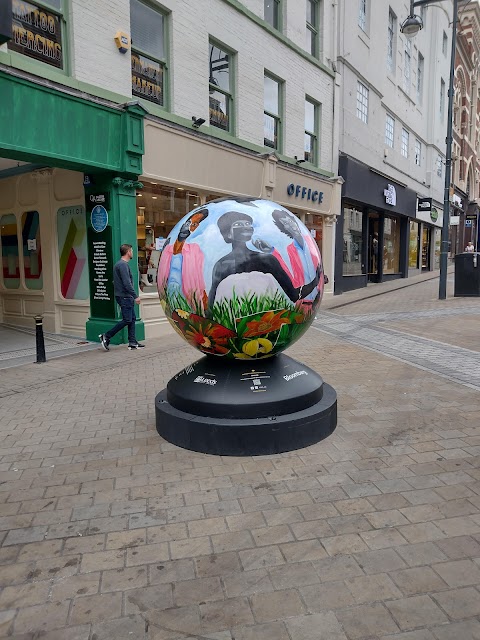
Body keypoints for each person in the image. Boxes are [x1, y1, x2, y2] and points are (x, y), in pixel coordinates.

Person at [207, 211, 321, 310]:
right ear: (228, 234)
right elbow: (212, 304)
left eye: (248, 224)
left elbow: (294, 294)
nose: (246, 227)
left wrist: (316, 279)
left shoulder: (267, 260)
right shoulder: (221, 265)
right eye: (238, 224)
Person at [158, 209, 209, 311]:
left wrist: (203, 302)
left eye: (194, 224)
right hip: (170, 299)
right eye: (188, 222)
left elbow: (199, 280)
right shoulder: (168, 250)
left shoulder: (195, 250)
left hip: (187, 300)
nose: (188, 227)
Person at [99, 244, 145, 351]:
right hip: (125, 297)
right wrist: (135, 296)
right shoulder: (122, 265)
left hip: (125, 296)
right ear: (128, 252)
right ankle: (106, 336)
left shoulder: (119, 265)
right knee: (127, 320)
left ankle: (132, 342)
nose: (132, 253)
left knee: (132, 319)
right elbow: (126, 283)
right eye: (131, 251)